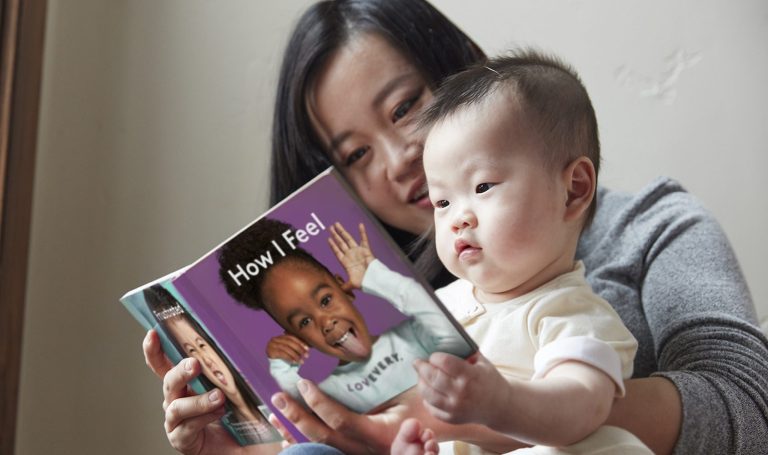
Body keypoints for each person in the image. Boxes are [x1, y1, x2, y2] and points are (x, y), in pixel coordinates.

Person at [142, 1, 768, 454]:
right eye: (355, 155)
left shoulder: (650, 231)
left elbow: (748, 407)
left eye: (407, 107)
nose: (399, 159)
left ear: (466, 73)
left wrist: (483, 414)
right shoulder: (408, 304)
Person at [394, 50, 652, 454]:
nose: (458, 218)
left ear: (574, 189)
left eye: (482, 188)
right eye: (442, 203)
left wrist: (500, 404)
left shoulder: (570, 314)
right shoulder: (436, 310)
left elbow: (581, 409)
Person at [216, 218, 472, 414]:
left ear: (344, 288)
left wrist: (376, 278)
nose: (326, 322)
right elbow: (304, 414)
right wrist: (283, 366)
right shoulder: (332, 392)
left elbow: (457, 342)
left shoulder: (415, 336)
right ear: (296, 337)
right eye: (304, 322)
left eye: (326, 300)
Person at [144, 285, 282, 447]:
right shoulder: (225, 427)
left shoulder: (271, 387)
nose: (207, 361)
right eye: (191, 352)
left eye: (202, 345)